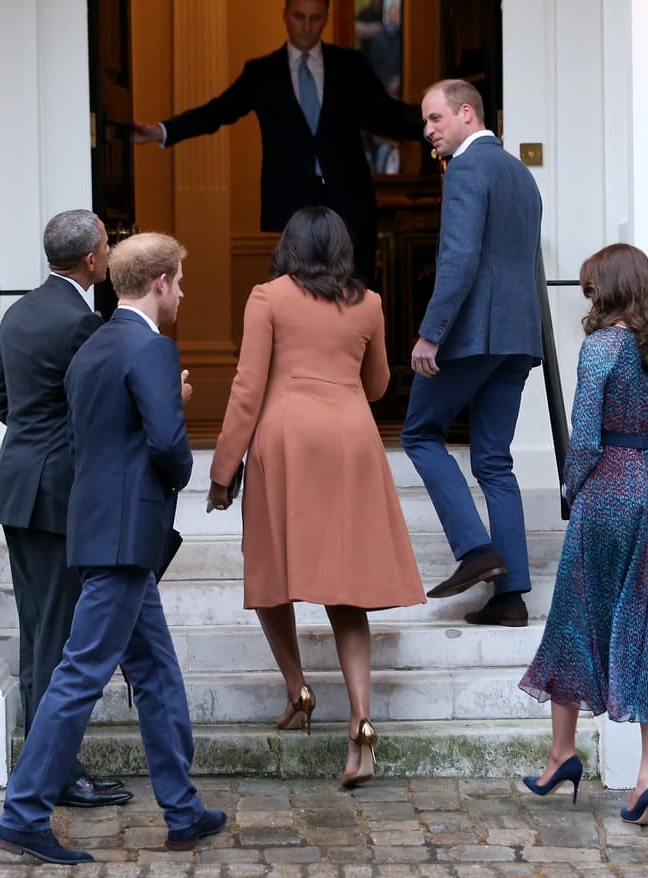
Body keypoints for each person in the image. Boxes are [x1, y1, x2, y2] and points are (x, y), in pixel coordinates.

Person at [0, 233, 226, 865]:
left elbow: (88, 432)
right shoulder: (150, 347)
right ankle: (23, 814)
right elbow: (168, 448)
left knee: (155, 672)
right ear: (159, 283)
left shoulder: (94, 345)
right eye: (178, 281)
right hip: (126, 534)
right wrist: (174, 416)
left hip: (99, 526)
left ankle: (182, 810)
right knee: (78, 676)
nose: (181, 291)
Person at [207, 207, 425, 787]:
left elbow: (248, 386)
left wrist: (223, 470)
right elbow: (378, 385)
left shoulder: (268, 297)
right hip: (351, 440)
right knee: (345, 586)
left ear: (289, 247)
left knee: (272, 568)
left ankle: (298, 687)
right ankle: (360, 721)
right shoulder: (370, 302)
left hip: (287, 440)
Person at [517, 244, 648, 833]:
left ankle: (561, 754)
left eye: (594, 287)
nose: (589, 296)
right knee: (645, 626)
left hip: (603, 495)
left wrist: (576, 489)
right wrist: (646, 476)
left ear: (611, 289)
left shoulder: (601, 348)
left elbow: (585, 438)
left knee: (574, 617)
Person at [0, 209, 130, 810]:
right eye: (106, 245)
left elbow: (2, 400)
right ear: (93, 260)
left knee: (37, 633)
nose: (109, 252)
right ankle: (54, 773)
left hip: (20, 488)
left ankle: (38, 758)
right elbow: (95, 412)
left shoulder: (17, 312)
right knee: (57, 639)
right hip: (54, 498)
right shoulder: (80, 323)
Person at [131, 0, 421, 284]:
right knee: (296, 298)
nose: (307, 26)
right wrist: (160, 131)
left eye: (315, 18)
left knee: (355, 295)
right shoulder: (262, 73)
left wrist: (440, 124)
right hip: (290, 203)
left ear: (326, 17)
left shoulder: (351, 66)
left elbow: (388, 115)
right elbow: (217, 112)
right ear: (285, 16)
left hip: (350, 202)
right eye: (299, 17)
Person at [400, 79, 544, 627]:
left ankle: (475, 550)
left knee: (418, 433)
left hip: (471, 336)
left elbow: (458, 259)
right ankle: (510, 597)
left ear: (466, 113)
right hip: (518, 338)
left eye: (435, 119)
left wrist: (431, 332)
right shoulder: (520, 175)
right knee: (493, 461)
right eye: (425, 123)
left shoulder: (465, 167)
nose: (429, 131)